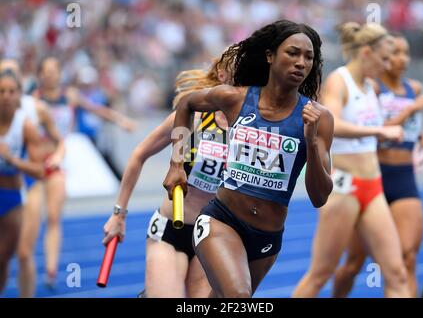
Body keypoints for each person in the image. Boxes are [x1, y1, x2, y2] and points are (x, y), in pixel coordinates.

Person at [162, 20, 334, 298]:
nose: (301, 63)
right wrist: (176, 164)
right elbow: (186, 104)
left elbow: (320, 197)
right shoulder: (235, 99)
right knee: (238, 297)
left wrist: (312, 142)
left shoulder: (319, 117)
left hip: (267, 237)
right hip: (222, 220)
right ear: (270, 56)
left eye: (309, 57)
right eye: (292, 53)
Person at [291, 23, 411, 298]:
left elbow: (369, 133)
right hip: (345, 189)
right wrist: (378, 130)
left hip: (374, 186)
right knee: (321, 274)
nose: (388, 64)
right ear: (366, 52)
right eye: (384, 58)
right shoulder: (339, 80)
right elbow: (329, 124)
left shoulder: (371, 86)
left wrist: (394, 128)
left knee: (396, 272)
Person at [103, 56, 232, 297]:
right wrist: (118, 214)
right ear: (223, 75)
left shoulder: (249, 130)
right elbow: (139, 154)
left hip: (212, 237)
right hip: (172, 230)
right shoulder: (191, 117)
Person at [332, 33, 423, 298]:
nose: (401, 59)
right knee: (353, 264)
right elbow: (376, 129)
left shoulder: (415, 88)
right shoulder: (372, 88)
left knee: (407, 258)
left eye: (406, 53)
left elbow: (406, 129)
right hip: (372, 177)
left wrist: (420, 135)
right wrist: (410, 110)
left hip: (404, 179)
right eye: (394, 54)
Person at [29, 56, 136, 287]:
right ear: (39, 75)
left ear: (59, 73)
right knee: (31, 221)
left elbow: (97, 110)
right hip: (34, 166)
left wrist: (120, 120)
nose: (50, 75)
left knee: (54, 219)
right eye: (45, 71)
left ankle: (50, 271)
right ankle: (25, 260)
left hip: (58, 163)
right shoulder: (32, 100)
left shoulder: (70, 97)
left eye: (53, 70)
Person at [0, 58, 65, 297]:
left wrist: (56, 157)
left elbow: (58, 142)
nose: (6, 93)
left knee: (24, 252)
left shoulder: (35, 110)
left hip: (25, 187)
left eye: (12, 74)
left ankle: (38, 282)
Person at [0, 69, 44, 294]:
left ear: (19, 95)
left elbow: (39, 170)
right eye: (1, 91)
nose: (6, 96)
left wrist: (13, 160)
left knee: (3, 258)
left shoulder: (25, 125)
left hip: (11, 198)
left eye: (11, 91)